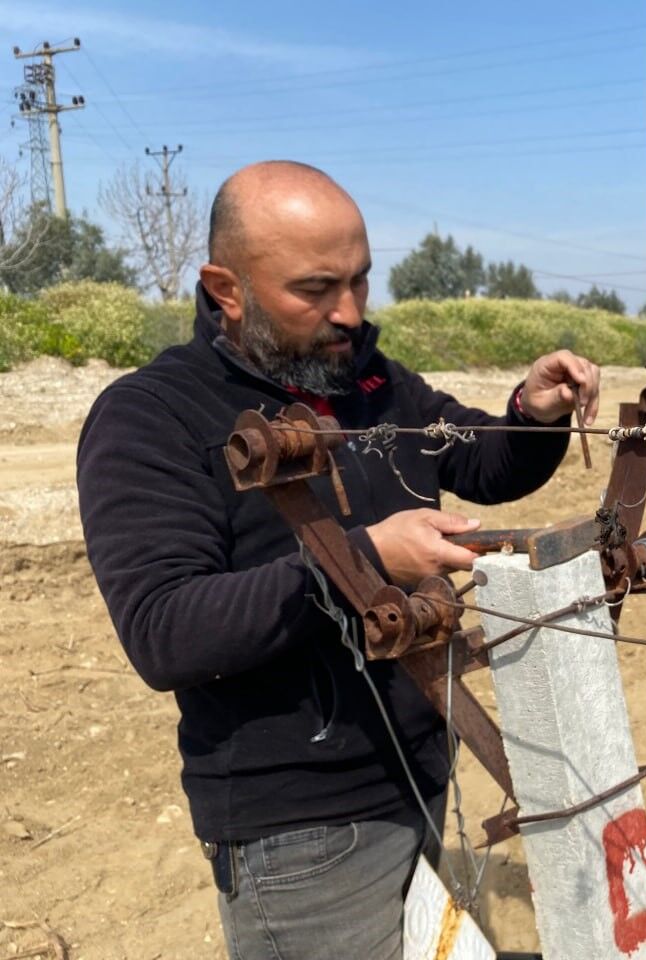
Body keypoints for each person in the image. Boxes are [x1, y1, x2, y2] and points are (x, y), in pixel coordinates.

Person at [76, 160, 601, 959]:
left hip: (424, 774)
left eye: (360, 280)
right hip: (301, 829)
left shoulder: (371, 386)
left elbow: (480, 465)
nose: (349, 312)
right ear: (226, 287)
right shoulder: (151, 417)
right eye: (316, 289)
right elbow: (164, 631)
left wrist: (531, 411)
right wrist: (363, 560)